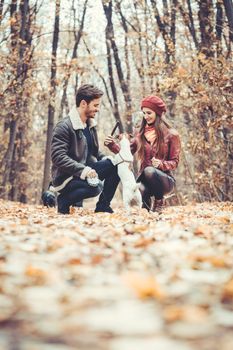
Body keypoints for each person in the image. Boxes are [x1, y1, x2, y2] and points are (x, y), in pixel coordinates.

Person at [51, 84, 126, 214]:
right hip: (67, 176)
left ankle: (103, 206)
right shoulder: (64, 126)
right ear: (84, 103)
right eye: (95, 105)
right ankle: (64, 200)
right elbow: (58, 157)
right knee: (96, 187)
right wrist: (83, 170)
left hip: (86, 170)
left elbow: (94, 152)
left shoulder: (90, 126)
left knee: (116, 164)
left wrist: (105, 158)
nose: (97, 109)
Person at [104, 95, 181, 212]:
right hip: (144, 179)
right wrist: (111, 145)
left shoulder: (172, 135)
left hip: (164, 180)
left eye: (149, 113)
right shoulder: (140, 135)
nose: (146, 116)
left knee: (149, 170)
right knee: (140, 195)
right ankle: (146, 210)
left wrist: (161, 164)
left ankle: (160, 201)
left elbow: (174, 162)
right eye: (144, 113)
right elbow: (126, 153)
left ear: (158, 113)